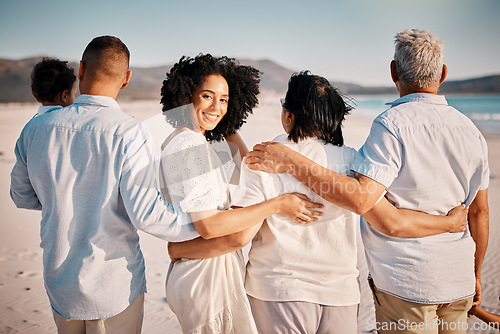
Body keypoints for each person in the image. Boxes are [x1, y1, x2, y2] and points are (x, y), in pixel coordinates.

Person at [167, 71, 468, 334]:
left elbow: (239, 235)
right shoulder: (353, 162)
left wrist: (180, 248)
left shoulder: (264, 159)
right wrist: (449, 223)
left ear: (288, 115)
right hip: (341, 294)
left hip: (278, 289)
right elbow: (390, 219)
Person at [245, 29, 489, 334]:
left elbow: (368, 205)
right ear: (442, 74)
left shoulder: (392, 126)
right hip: (457, 280)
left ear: (393, 71)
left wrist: (290, 160)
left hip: (407, 283)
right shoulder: (472, 132)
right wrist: (475, 272)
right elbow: (479, 213)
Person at [10, 36, 202, 333]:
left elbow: (21, 196)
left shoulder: (35, 128)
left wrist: (60, 196)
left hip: (60, 281)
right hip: (114, 282)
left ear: (81, 71)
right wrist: (202, 224)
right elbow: (147, 215)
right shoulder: (129, 131)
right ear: (126, 79)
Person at [159, 55, 323, 333]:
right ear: (187, 95)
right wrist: (278, 204)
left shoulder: (188, 140)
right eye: (208, 96)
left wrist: (228, 127)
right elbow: (209, 225)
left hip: (201, 268)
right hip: (205, 277)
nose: (216, 106)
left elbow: (248, 177)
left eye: (224, 100)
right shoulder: (189, 146)